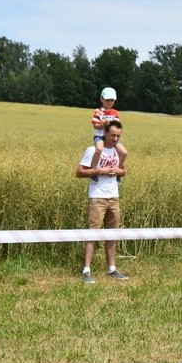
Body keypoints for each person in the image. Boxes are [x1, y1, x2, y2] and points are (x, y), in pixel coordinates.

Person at [76, 120, 129, 283]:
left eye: (118, 136)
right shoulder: (92, 150)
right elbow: (79, 172)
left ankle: (112, 268)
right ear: (105, 133)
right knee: (93, 234)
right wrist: (101, 170)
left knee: (112, 234)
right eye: (112, 135)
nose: (115, 139)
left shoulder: (117, 152)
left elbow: (124, 171)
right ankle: (86, 270)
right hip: (97, 197)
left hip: (114, 197)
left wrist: (120, 171)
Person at [90, 87, 127, 182]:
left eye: (112, 100)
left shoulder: (115, 112)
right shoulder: (98, 111)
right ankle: (93, 171)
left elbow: (117, 126)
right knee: (99, 149)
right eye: (107, 100)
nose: (110, 102)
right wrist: (103, 124)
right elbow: (95, 125)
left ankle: (118, 171)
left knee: (123, 152)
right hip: (100, 136)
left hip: (111, 137)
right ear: (101, 99)